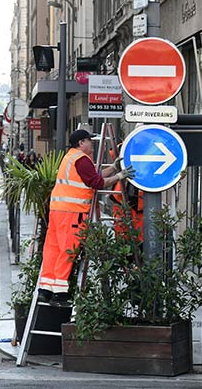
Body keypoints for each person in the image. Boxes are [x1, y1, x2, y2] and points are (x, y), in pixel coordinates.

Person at [37, 129, 135, 305]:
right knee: (68, 250)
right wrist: (120, 176)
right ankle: (60, 294)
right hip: (73, 213)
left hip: (58, 210)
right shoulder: (82, 160)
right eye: (89, 140)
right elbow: (97, 183)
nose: (92, 143)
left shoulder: (70, 158)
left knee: (53, 249)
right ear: (81, 143)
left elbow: (93, 177)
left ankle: (45, 289)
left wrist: (113, 168)